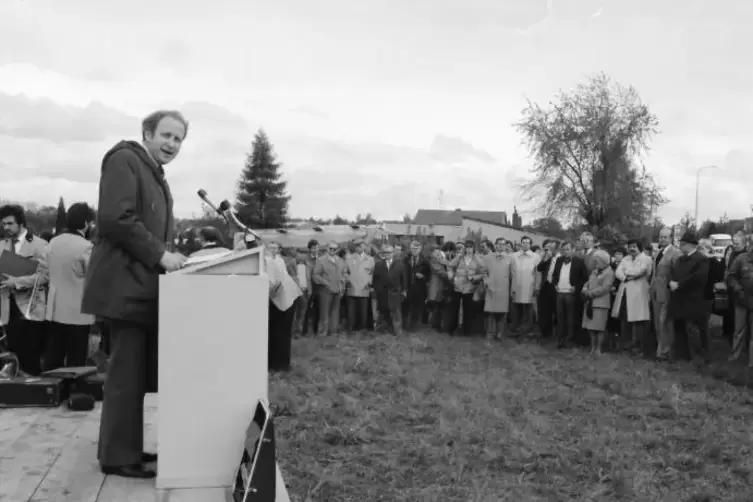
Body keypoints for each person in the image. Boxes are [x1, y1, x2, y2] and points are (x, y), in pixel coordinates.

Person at [82, 110, 189, 479]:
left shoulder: (153, 172)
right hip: (124, 288)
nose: (172, 145)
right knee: (126, 376)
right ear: (147, 133)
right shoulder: (125, 159)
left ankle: (124, 446)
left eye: (178, 139)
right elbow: (116, 219)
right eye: (166, 136)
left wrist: (173, 256)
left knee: (136, 375)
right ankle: (116, 456)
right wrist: (161, 255)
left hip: (141, 288)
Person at [45, 202, 96, 369]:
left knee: (53, 359)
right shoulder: (86, 247)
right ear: (86, 223)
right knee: (76, 362)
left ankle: (52, 394)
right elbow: (93, 277)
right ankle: (72, 394)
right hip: (77, 313)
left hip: (53, 310)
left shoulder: (53, 242)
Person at [0, 204, 50, 375]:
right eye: (3, 224)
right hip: (7, 308)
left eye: (9, 224)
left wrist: (17, 282)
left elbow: (45, 276)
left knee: (30, 356)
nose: (5, 227)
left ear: (21, 224)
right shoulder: (1, 245)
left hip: (30, 307)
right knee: (14, 352)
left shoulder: (40, 245)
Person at [668, 232, 709, 363]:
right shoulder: (680, 259)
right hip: (678, 299)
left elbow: (698, 278)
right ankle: (681, 354)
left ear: (691, 245)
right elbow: (672, 273)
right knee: (679, 328)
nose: (680, 246)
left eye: (683, 244)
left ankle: (697, 356)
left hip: (692, 300)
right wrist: (670, 282)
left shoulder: (701, 259)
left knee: (692, 329)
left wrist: (679, 285)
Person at [265, 241, 301, 371]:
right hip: (284, 300)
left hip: (283, 301)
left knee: (279, 334)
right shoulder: (274, 261)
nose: (273, 250)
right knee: (279, 334)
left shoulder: (272, 261)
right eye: (270, 248)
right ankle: (279, 364)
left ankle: (278, 365)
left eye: (275, 248)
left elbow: (273, 284)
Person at [651, 227, 681, 361]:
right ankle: (660, 348)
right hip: (655, 290)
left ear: (671, 238)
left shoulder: (675, 253)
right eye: (660, 237)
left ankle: (666, 351)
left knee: (665, 321)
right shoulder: (658, 252)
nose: (662, 239)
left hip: (667, 291)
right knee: (657, 321)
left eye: (665, 237)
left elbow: (677, 273)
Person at [581, 250, 614, 354]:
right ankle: (593, 347)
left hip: (601, 303)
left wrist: (590, 293)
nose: (595, 263)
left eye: (597, 261)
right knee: (591, 327)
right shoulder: (595, 271)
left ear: (603, 261)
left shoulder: (609, 272)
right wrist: (584, 288)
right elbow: (588, 282)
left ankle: (599, 349)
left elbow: (605, 288)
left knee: (599, 328)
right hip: (590, 303)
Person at [482, 238, 513, 340]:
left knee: (502, 312)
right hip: (491, 287)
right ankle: (490, 332)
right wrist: (486, 282)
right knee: (491, 312)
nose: (501, 246)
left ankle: (500, 333)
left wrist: (512, 288)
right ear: (495, 245)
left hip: (504, 288)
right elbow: (484, 272)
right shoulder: (487, 258)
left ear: (505, 246)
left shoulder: (510, 258)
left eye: (503, 244)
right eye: (499, 244)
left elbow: (512, 275)